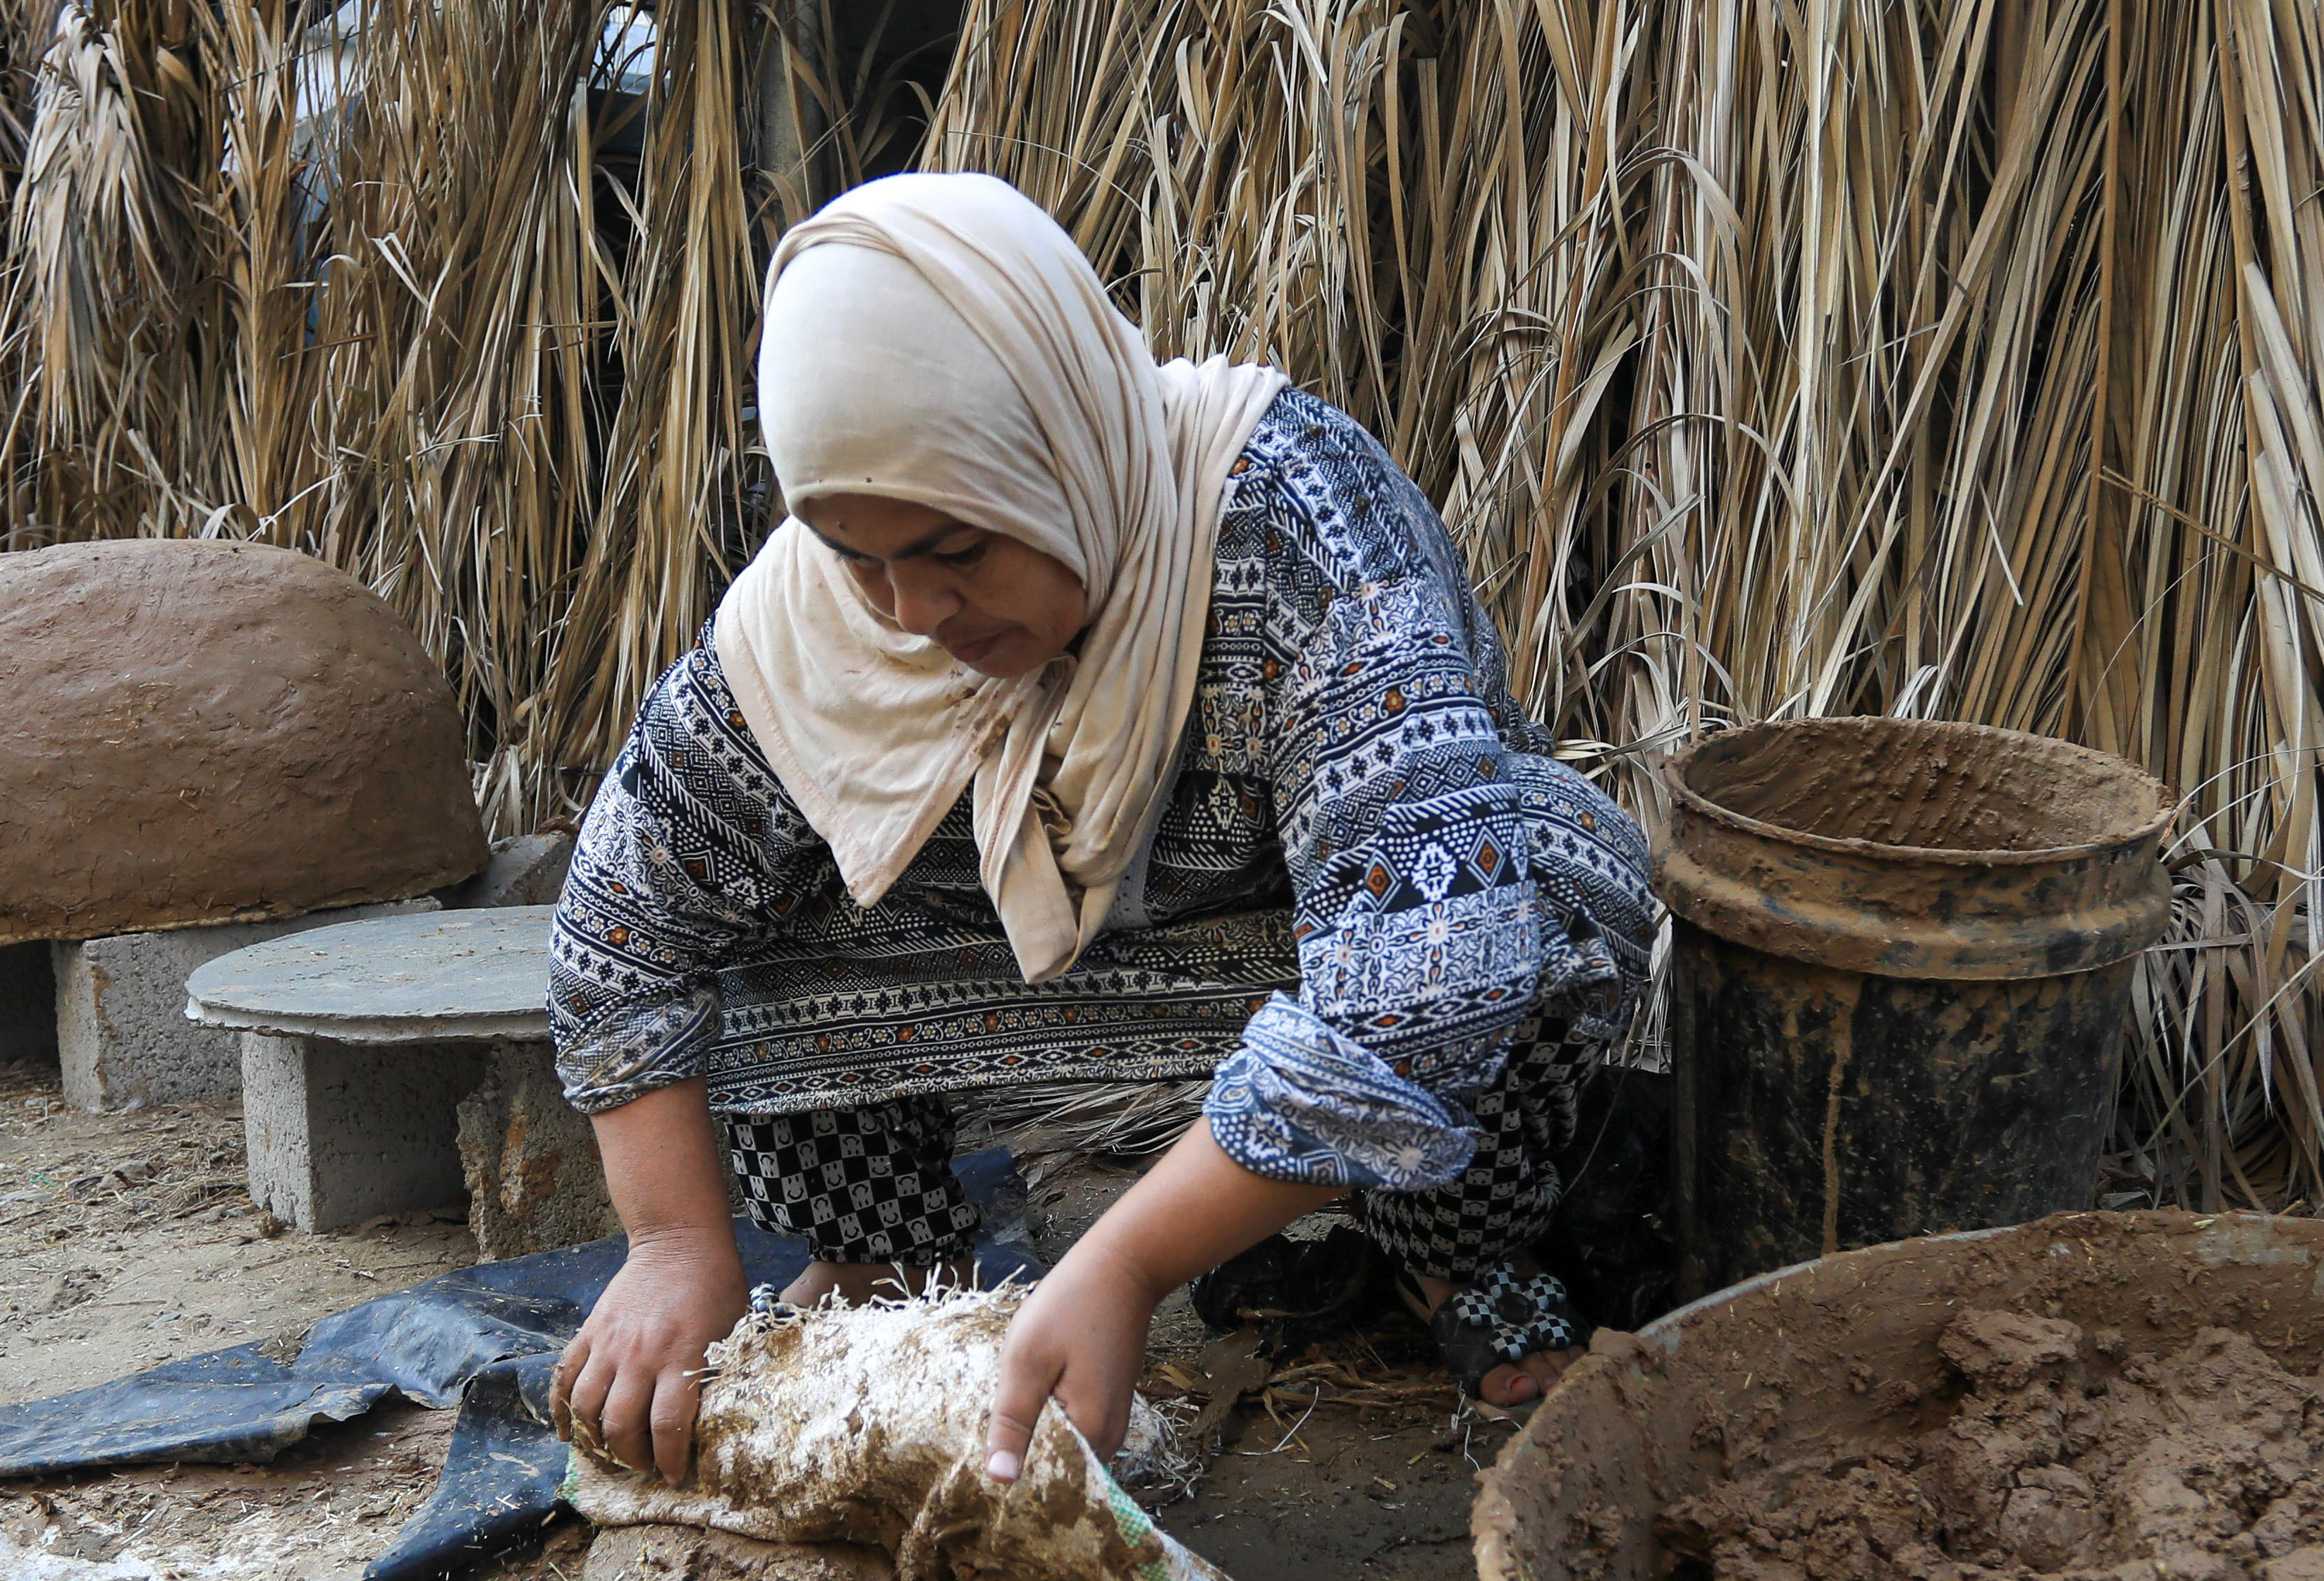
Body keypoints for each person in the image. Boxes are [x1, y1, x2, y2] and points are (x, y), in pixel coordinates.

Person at [545, 171, 1656, 1489]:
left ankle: (1453, 1242)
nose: (910, 611)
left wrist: (1125, 1263)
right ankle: (883, 1253)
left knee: (1528, 885)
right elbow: (621, 928)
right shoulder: (808, 622)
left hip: (1292, 959)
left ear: (1057, 448)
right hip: (1026, 974)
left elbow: (1425, 981)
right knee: (749, 898)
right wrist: (673, 1246)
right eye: (860, 555)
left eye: (960, 547)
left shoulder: (1292, 528)